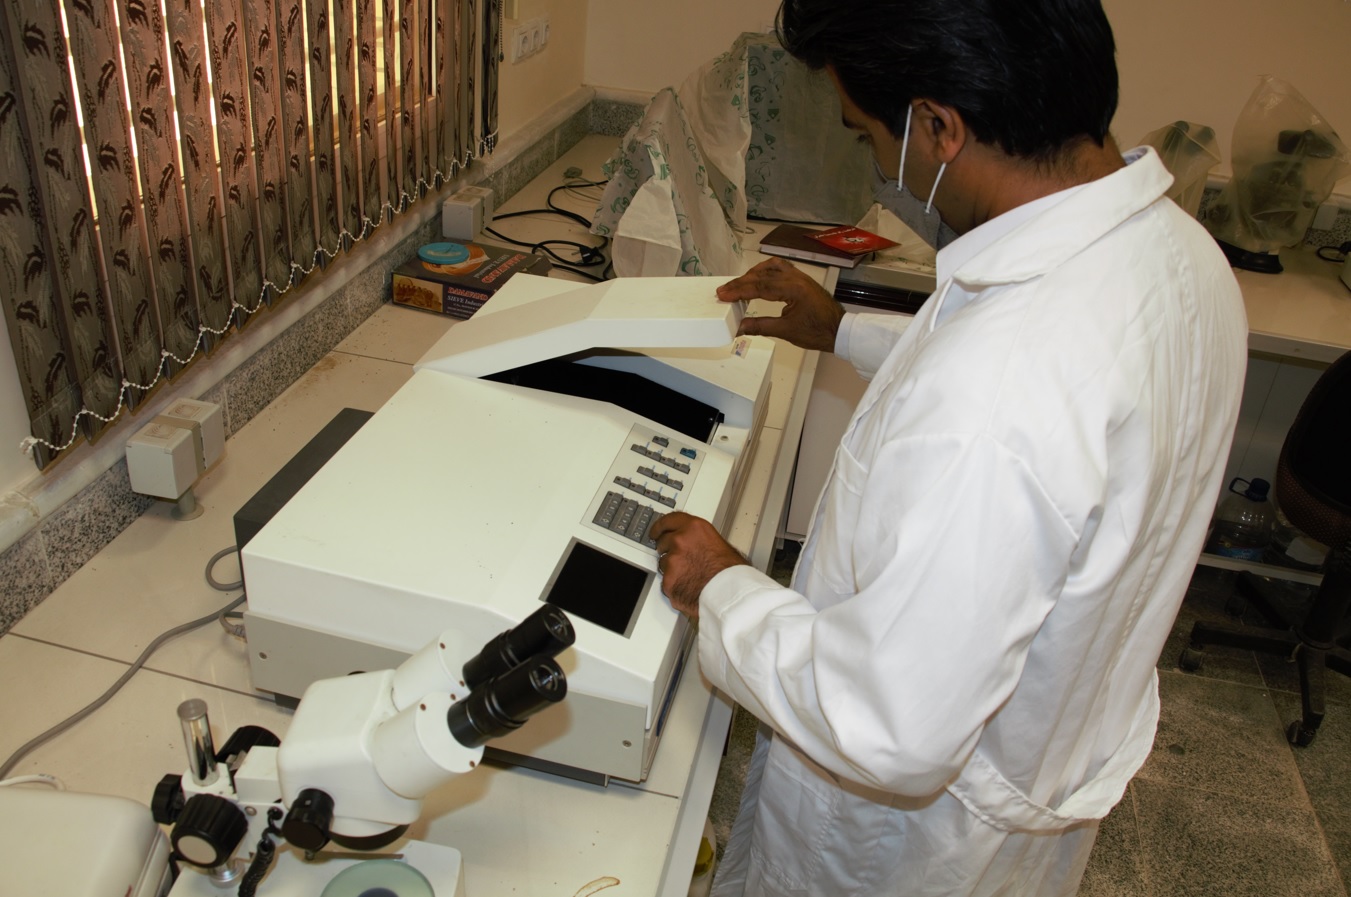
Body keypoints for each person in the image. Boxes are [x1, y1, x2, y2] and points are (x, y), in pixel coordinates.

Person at [648, 1, 1248, 895]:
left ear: (937, 126)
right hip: (1030, 781)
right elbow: (1066, 397)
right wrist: (843, 329)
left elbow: (887, 723)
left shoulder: (999, 389)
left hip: (900, 850)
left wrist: (722, 584)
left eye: (865, 133)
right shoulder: (1180, 256)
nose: (871, 160)